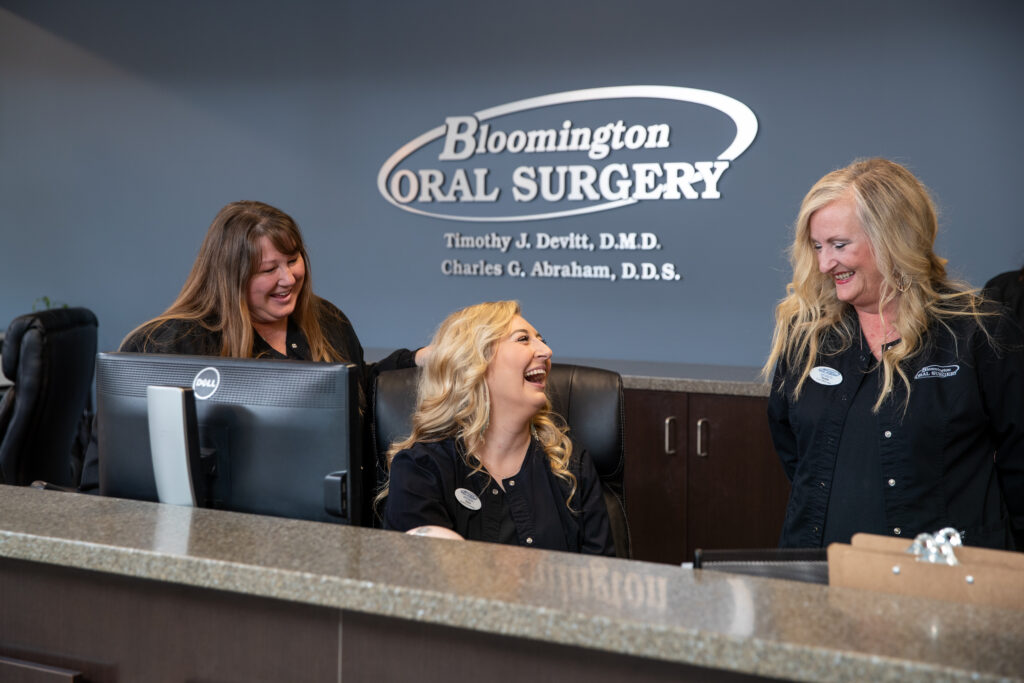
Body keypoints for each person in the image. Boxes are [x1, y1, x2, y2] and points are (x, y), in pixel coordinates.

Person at [764, 158, 1024, 550]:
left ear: (893, 238)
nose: (823, 263)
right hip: (816, 569)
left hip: (941, 582)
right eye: (816, 247)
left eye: (839, 245)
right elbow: (795, 453)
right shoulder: (809, 337)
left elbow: (1019, 462)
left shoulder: (978, 331)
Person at [79, 200, 426, 490]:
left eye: (292, 261)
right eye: (268, 269)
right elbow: (107, 476)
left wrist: (417, 360)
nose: (288, 279)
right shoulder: (166, 345)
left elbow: (350, 385)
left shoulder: (327, 321)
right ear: (230, 278)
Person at [379, 300, 614, 555]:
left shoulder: (571, 465)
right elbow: (422, 583)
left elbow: (602, 581)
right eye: (523, 339)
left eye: (541, 339)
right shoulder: (422, 469)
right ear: (473, 363)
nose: (547, 351)